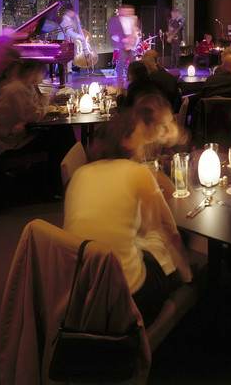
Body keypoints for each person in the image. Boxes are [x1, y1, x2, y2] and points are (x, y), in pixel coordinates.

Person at [64, 104, 191, 328]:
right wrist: (187, 274)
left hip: (83, 299)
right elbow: (169, 231)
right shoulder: (138, 173)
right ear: (124, 140)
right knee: (170, 247)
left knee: (143, 242)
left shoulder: (80, 174)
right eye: (140, 135)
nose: (145, 141)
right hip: (129, 303)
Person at [0, 60, 75, 191]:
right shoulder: (18, 88)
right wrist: (45, 100)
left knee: (61, 131)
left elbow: (31, 112)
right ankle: (60, 183)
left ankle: (65, 178)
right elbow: (34, 115)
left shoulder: (25, 87)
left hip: (17, 135)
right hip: (12, 143)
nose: (42, 75)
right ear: (32, 72)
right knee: (61, 135)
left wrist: (41, 103)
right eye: (41, 72)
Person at [109, 4, 140, 85]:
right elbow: (112, 32)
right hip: (122, 42)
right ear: (120, 11)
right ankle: (119, 78)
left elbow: (136, 29)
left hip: (131, 42)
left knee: (132, 61)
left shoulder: (133, 19)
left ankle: (131, 77)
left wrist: (134, 36)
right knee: (121, 61)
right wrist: (123, 39)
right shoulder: (114, 20)